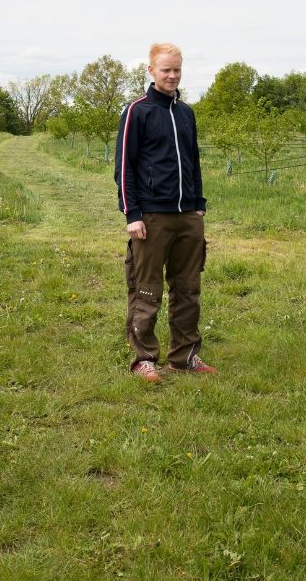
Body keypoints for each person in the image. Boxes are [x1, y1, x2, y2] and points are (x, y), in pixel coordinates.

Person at [114, 43, 216, 381]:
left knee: (188, 288)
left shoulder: (186, 113)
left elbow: (193, 162)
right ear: (151, 71)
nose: (172, 76)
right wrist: (132, 214)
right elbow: (124, 166)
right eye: (165, 70)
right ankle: (144, 359)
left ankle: (184, 357)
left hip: (188, 216)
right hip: (151, 217)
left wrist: (198, 205)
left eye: (177, 70)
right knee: (146, 288)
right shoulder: (137, 111)